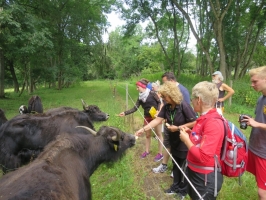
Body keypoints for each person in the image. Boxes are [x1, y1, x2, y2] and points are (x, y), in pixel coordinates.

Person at [135, 81, 197, 198]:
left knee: (184, 167)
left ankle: (183, 191)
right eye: (162, 96)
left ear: (172, 94)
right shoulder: (167, 107)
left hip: (184, 141)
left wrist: (178, 127)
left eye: (164, 96)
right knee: (175, 164)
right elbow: (158, 120)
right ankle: (175, 186)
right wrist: (143, 129)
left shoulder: (183, 105)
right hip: (174, 141)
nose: (162, 99)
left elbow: (194, 122)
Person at [179, 81, 224, 200]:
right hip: (196, 172)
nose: (191, 101)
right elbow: (201, 140)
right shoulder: (203, 117)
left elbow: (204, 157)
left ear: (198, 100)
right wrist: (191, 135)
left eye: (193, 98)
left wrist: (186, 140)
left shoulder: (213, 122)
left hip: (204, 178)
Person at [153, 72, 192, 174]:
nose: (163, 85)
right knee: (169, 144)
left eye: (165, 83)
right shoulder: (167, 102)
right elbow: (162, 113)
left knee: (180, 153)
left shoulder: (183, 93)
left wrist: (178, 127)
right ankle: (167, 166)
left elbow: (189, 115)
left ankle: (178, 171)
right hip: (170, 126)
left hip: (180, 130)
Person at [118, 78, 164, 162]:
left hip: (156, 116)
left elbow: (160, 102)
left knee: (158, 134)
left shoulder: (152, 93)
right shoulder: (140, 97)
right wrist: (125, 113)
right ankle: (147, 151)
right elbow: (135, 108)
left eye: (137, 87)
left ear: (142, 86)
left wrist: (159, 111)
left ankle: (160, 153)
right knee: (147, 135)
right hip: (147, 117)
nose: (137, 89)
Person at [242, 66, 266, 200]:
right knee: (260, 182)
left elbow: (259, 123)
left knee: (262, 192)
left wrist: (256, 124)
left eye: (255, 81)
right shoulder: (261, 99)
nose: (252, 85)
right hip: (256, 148)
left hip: (264, 152)